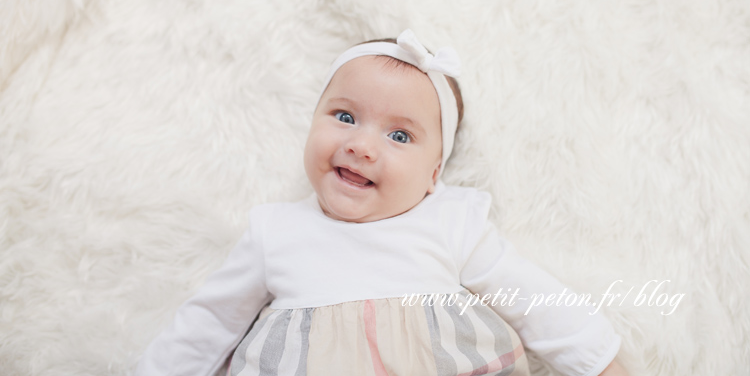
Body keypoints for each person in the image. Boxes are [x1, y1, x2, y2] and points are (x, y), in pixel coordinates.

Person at [134, 30, 628, 376]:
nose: (362, 145)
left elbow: (532, 297)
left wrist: (599, 361)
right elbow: (209, 321)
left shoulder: (451, 222)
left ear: (434, 174)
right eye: (345, 117)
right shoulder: (276, 231)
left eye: (399, 135)